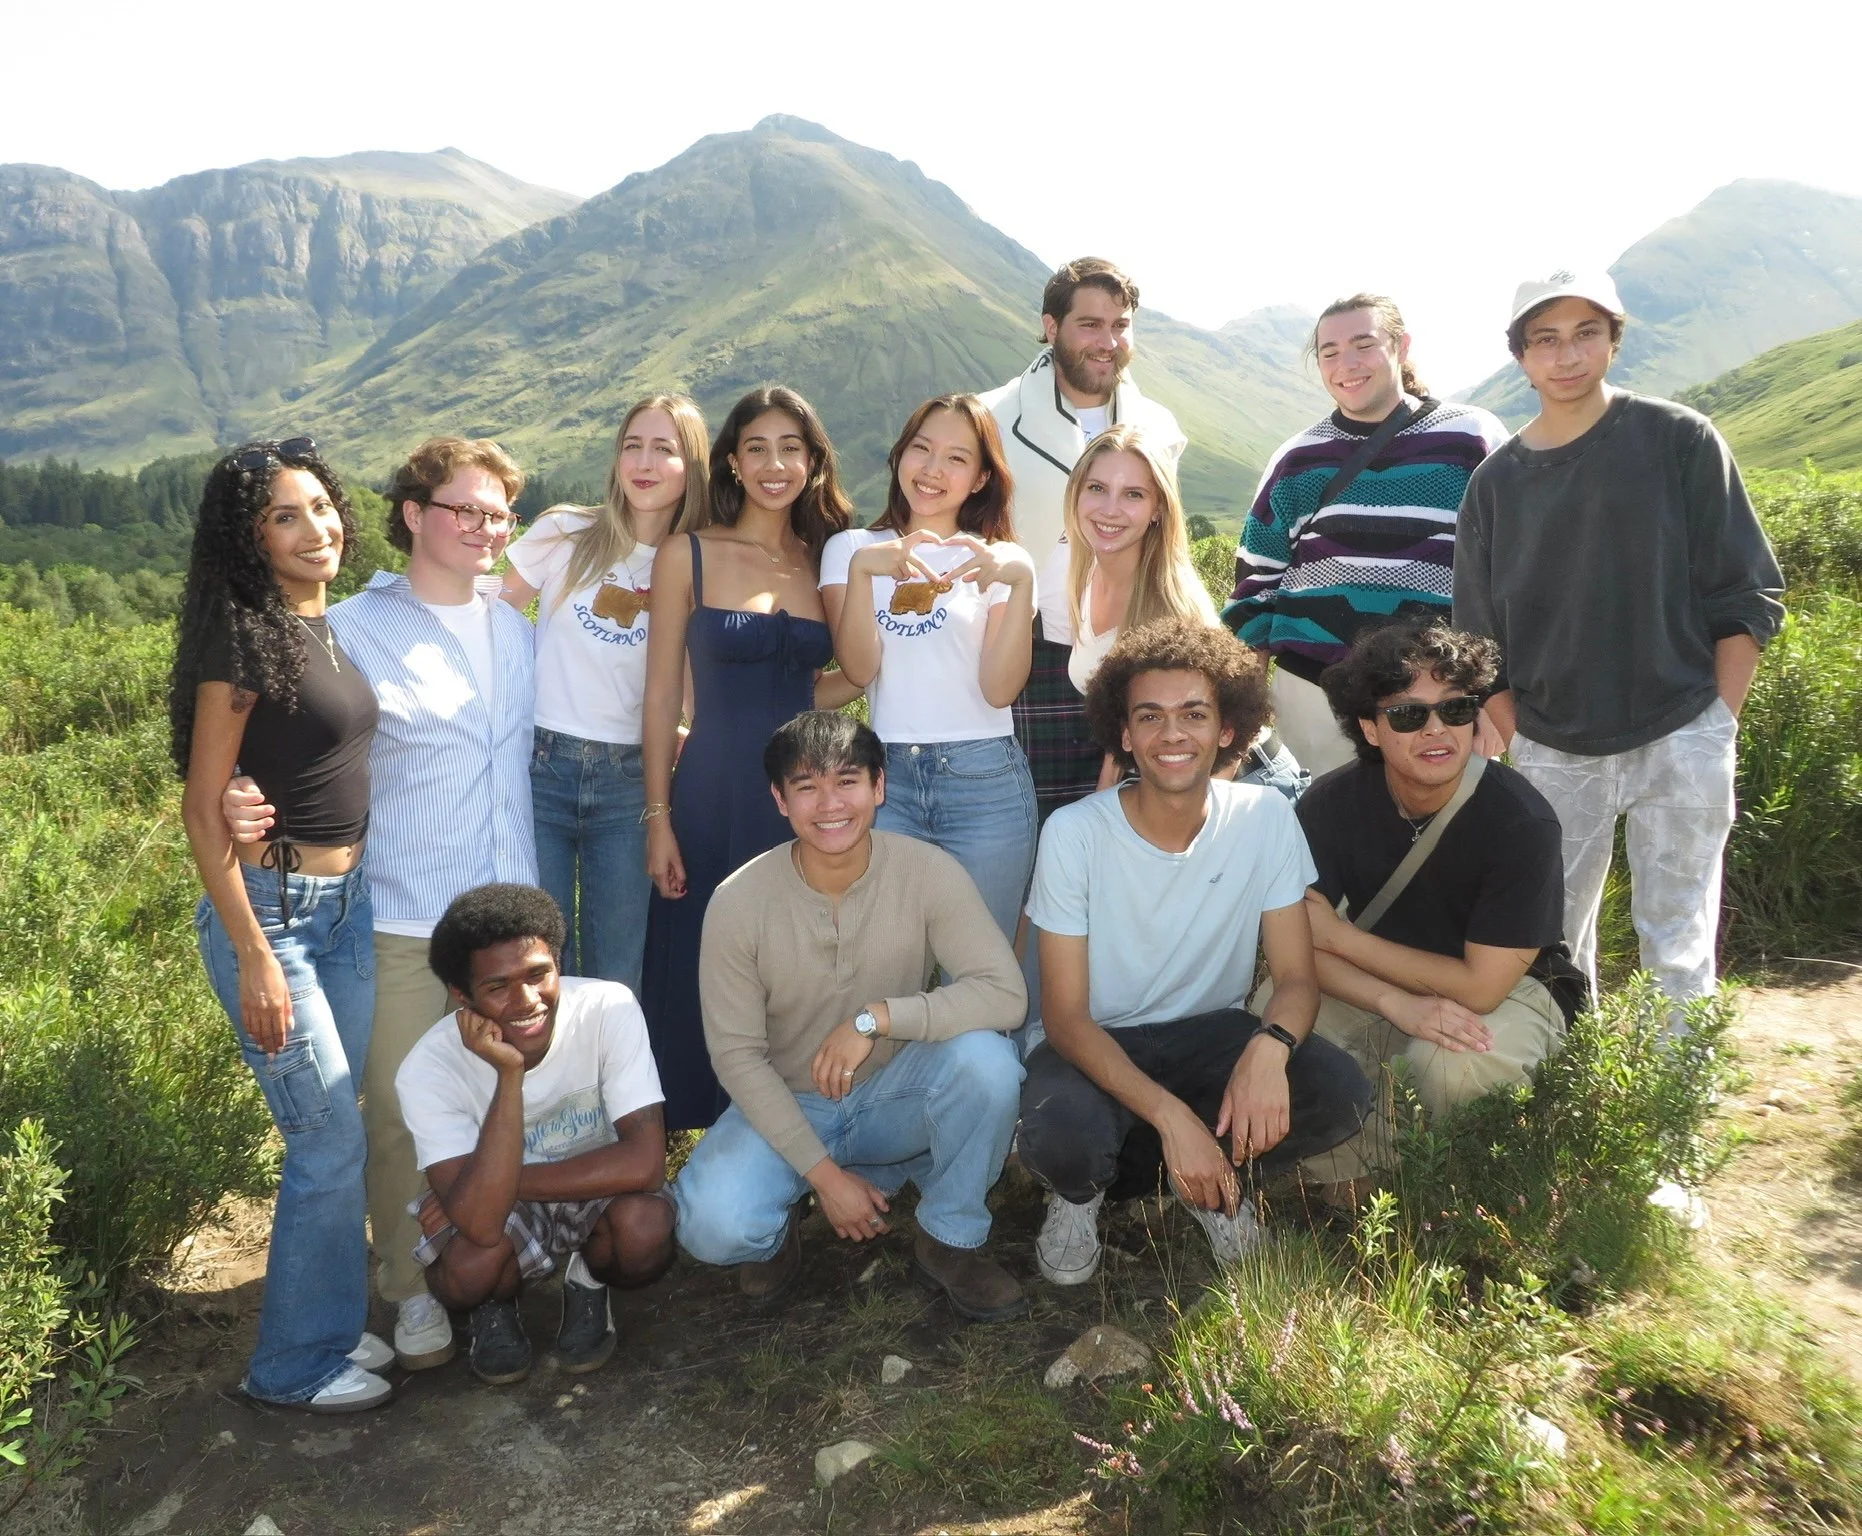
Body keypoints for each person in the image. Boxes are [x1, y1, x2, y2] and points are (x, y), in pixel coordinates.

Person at [223, 436, 538, 1373]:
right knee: (403, 1113)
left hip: (514, 917)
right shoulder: (354, 626)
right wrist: (241, 794)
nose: (486, 529)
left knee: (502, 1101)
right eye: (466, 510)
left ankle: (498, 1275)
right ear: (412, 514)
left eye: (499, 515)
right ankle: (409, 1289)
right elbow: (289, 735)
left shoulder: (519, 626)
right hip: (404, 915)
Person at [1454, 272, 1786, 1006]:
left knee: (1679, 934)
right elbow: (1479, 641)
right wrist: (1523, 739)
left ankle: (1676, 1108)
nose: (1567, 355)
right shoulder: (1494, 484)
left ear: (1613, 339)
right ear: (1521, 355)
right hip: (1553, 746)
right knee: (1553, 942)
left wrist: (1717, 724)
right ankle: (1573, 1103)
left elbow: (1746, 590)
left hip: (1681, 730)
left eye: (1585, 333)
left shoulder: (1678, 439)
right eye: (1547, 339)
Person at [1017, 619, 1371, 1285]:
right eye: (1149, 717)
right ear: (1124, 733)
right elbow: (1065, 1019)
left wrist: (1269, 1048)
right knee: (1064, 1138)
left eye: (1194, 714)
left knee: (1338, 1090)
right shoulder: (1074, 834)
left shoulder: (1263, 819)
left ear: (1228, 728)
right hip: (1096, 1039)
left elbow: (1296, 978)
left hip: (1214, 1032)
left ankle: (1208, 1178)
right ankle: (1081, 1194)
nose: (1172, 735)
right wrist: (1175, 1119)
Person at [673, 712, 1029, 1321]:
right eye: (807, 787)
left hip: (893, 1091)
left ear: (879, 788)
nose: (830, 804)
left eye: (847, 781)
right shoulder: (739, 901)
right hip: (790, 1098)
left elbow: (1005, 996)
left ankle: (949, 1239)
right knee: (712, 1227)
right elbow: (735, 1055)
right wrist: (824, 1177)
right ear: (779, 800)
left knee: (990, 1064)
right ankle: (787, 1218)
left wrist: (877, 1018)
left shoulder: (927, 871)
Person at [173, 438, 389, 1414]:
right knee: (325, 1140)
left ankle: (335, 1331)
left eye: (323, 506)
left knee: (337, 1130)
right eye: (286, 516)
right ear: (249, 538)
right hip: (276, 921)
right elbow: (199, 804)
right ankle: (293, 1367)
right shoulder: (241, 636)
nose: (318, 529)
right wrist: (257, 958)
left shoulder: (325, 628)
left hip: (346, 911)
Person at [1287, 621, 1585, 1195]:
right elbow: (1296, 951)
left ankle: (1468, 1184)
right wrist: (1395, 1002)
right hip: (1390, 971)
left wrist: (1342, 939)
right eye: (1407, 715)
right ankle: (1361, 1169)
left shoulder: (1519, 821)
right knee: (1275, 1017)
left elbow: (1481, 990)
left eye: (1455, 710)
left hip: (1515, 985)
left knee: (1452, 1068)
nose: (1436, 730)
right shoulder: (1329, 804)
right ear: (1371, 729)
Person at [640, 387, 855, 1130]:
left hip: (804, 797)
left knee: (794, 962)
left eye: (791, 448)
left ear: (812, 461)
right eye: (757, 448)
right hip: (710, 791)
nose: (774, 464)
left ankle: (787, 1124)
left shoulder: (824, 560)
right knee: (705, 953)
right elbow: (662, 695)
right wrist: (659, 818)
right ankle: (698, 1123)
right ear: (732, 461)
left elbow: (841, 678)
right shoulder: (688, 553)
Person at [396, 884, 673, 1385]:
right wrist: (508, 1075)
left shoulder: (608, 1008)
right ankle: (496, 1309)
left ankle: (588, 1277)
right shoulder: (428, 1068)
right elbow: (480, 1225)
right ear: (462, 996)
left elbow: (646, 1164)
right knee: (467, 1275)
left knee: (646, 1231)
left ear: (557, 962)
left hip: (595, 1188)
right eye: (498, 986)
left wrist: (501, 1182)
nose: (527, 1001)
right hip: (517, 1208)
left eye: (538, 974)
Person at [1226, 294, 1508, 777]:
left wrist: (1493, 698)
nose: (1346, 365)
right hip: (1313, 703)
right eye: (1329, 352)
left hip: (1439, 702)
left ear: (1401, 346)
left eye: (1363, 345)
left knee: (1438, 848)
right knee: (1315, 841)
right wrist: (1241, 717)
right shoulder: (1297, 459)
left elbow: (1508, 575)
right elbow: (1255, 590)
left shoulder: (1471, 438)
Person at [501, 395, 710, 992]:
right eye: (632, 445)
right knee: (532, 964)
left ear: (692, 467)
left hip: (631, 783)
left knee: (617, 973)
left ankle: (604, 1089)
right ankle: (530, 1085)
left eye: (664, 449)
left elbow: (693, 685)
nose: (643, 462)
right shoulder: (567, 531)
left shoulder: (696, 563)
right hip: (539, 767)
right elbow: (490, 621)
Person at [819, 394, 1037, 939]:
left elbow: (999, 690)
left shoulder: (1001, 559)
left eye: (957, 458)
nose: (933, 470)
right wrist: (866, 574)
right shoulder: (851, 548)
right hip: (887, 778)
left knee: (988, 955)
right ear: (900, 457)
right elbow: (860, 670)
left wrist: (1022, 579)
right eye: (922, 449)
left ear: (982, 477)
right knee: (887, 959)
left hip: (984, 778)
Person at [979, 259, 1188, 825]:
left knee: (1135, 828)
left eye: (1120, 325)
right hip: (1034, 651)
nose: (1108, 341)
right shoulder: (990, 419)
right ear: (1051, 327)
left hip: (1134, 644)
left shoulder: (1160, 425)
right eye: (1090, 325)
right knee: (1039, 831)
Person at [1039, 425, 1305, 805]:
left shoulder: (1173, 605)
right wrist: (1104, 802)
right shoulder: (1086, 572)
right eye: (1096, 488)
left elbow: (1227, 733)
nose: (1109, 509)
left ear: (1157, 510)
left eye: (1133, 494)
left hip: (1242, 780)